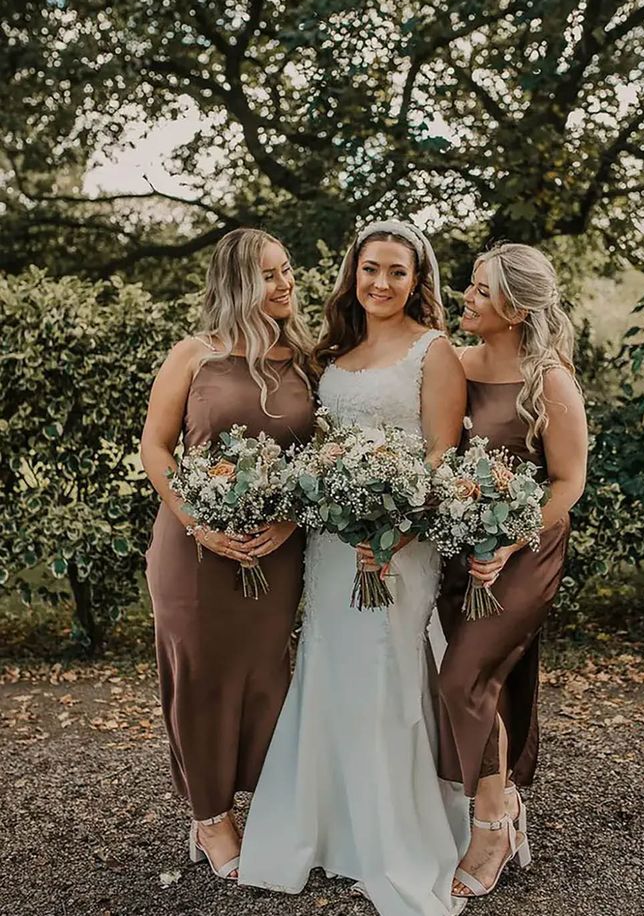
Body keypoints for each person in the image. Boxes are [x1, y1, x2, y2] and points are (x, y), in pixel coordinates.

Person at [239, 220, 471, 916]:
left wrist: (395, 534)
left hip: (398, 545)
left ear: (417, 281)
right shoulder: (332, 352)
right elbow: (317, 447)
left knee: (384, 670)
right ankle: (326, 827)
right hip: (334, 544)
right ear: (353, 272)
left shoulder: (436, 353)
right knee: (331, 665)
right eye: (371, 268)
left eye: (398, 272)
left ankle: (391, 838)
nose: (381, 283)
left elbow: (437, 458)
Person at [141, 228, 315, 881]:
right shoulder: (194, 354)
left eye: (288, 269)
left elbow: (318, 457)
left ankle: (267, 806)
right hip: (194, 551)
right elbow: (157, 449)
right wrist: (197, 524)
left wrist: (290, 521)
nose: (286, 283)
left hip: (277, 553)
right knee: (202, 678)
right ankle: (210, 819)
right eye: (270, 274)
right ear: (240, 281)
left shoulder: (302, 360)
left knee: (270, 677)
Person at [437, 242, 588, 900]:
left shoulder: (549, 377)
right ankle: (505, 798)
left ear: (516, 307)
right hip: (461, 550)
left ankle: (493, 825)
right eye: (469, 285)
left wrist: (510, 539)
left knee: (461, 676)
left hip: (528, 550)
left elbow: (569, 480)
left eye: (479, 289)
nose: (466, 297)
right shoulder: (455, 364)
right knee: (488, 678)